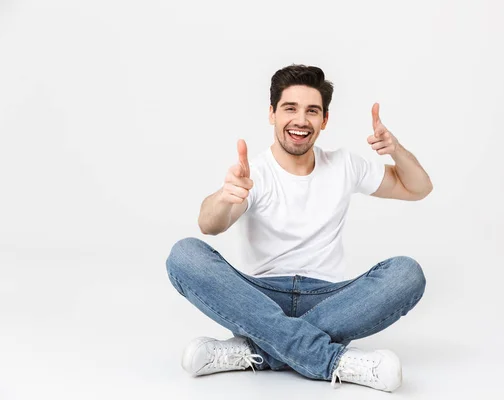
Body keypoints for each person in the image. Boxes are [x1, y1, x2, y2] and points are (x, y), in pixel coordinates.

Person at [165, 64, 433, 392]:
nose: (301, 120)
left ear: (324, 120)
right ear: (272, 114)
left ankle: (256, 350)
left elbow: (418, 187)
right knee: (184, 255)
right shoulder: (256, 173)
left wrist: (396, 150)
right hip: (259, 296)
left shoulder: (345, 164)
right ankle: (333, 360)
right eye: (290, 108)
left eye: (312, 111)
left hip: (330, 299)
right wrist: (225, 196)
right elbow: (209, 224)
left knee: (407, 273)